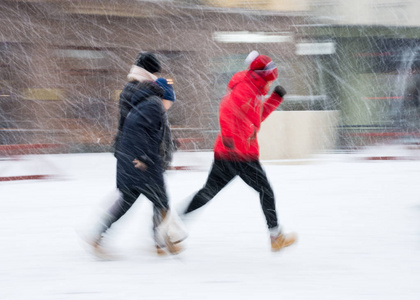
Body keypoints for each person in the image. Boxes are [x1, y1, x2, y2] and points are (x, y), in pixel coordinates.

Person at [182, 51, 297, 252]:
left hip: (233, 152)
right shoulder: (246, 88)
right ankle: (275, 237)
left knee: (208, 192)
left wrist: (275, 99)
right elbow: (225, 109)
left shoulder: (254, 90)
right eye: (270, 81)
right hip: (240, 154)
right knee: (265, 192)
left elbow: (256, 118)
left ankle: (173, 227)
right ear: (262, 76)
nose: (270, 85)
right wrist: (229, 138)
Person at [88, 81, 182, 258]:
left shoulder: (145, 104)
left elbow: (147, 133)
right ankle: (164, 242)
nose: (170, 106)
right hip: (141, 165)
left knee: (129, 202)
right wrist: (143, 156)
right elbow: (139, 132)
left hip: (130, 163)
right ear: (167, 98)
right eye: (171, 102)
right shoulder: (154, 106)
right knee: (161, 202)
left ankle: (97, 237)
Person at [113, 51, 162, 156]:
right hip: (139, 154)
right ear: (149, 73)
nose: (157, 76)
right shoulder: (142, 91)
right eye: (155, 73)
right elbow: (142, 126)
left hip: (132, 150)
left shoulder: (131, 88)